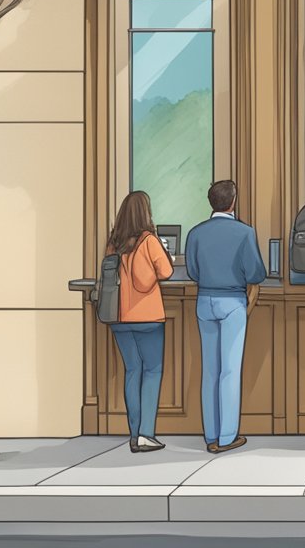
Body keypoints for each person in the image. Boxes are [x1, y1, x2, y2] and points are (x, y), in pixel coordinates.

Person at [185, 180, 267, 454]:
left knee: (210, 371)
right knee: (230, 371)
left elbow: (193, 272)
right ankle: (227, 436)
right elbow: (256, 273)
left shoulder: (196, 233)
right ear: (233, 202)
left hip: (204, 301)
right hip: (232, 302)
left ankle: (210, 433)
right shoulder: (244, 232)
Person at [104, 191, 173, 454]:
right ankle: (146, 433)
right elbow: (165, 271)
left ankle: (134, 434)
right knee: (153, 371)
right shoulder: (149, 241)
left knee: (132, 371)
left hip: (119, 316)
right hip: (148, 317)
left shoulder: (114, 242)